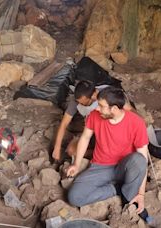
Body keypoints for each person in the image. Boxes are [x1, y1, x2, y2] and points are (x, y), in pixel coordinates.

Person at [66, 87, 154, 224]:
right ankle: (116, 189)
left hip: (124, 167)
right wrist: (76, 164)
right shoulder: (94, 116)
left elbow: (143, 159)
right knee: (74, 197)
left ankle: (129, 198)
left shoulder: (136, 123)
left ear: (114, 109)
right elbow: (85, 138)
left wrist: (141, 194)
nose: (97, 109)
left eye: (101, 106)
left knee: (139, 159)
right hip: (100, 167)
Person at [52, 80, 133, 162]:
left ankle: (111, 153)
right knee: (72, 151)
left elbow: (131, 112)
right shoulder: (77, 100)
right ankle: (99, 153)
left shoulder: (110, 95)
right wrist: (57, 147)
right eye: (80, 103)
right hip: (93, 131)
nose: (81, 104)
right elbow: (64, 124)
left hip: (113, 131)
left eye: (85, 103)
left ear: (94, 95)